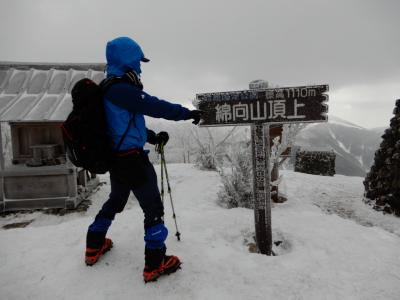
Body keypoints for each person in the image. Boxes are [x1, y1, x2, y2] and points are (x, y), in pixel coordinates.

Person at [84, 36, 201, 283]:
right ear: (128, 59)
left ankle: (94, 244)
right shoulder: (120, 88)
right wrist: (187, 113)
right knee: (154, 210)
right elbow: (155, 106)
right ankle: (155, 263)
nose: (140, 65)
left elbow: (124, 125)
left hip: (118, 159)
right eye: (138, 60)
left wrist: (151, 136)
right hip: (132, 161)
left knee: (116, 201)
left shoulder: (110, 87)